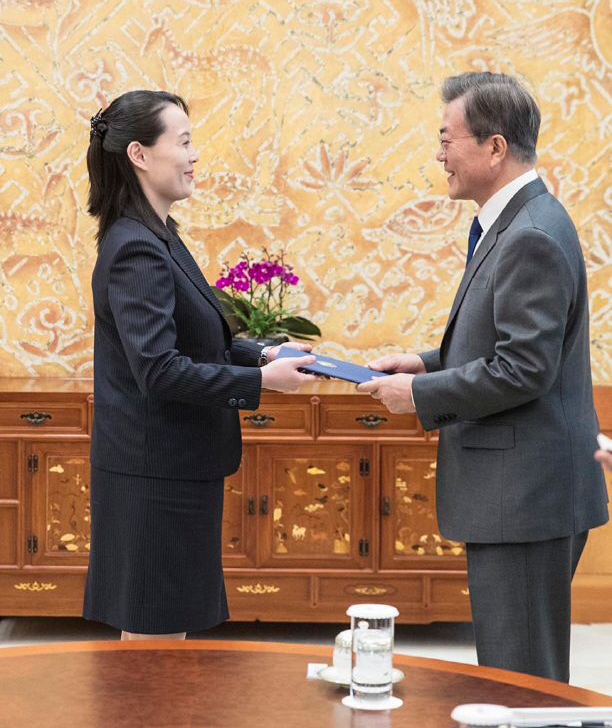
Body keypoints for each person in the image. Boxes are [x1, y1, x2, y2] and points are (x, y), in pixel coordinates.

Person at [358, 72, 609, 682]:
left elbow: (523, 369)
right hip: (519, 492)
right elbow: (504, 345)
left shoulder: (531, 235)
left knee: (521, 681)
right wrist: (425, 362)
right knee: (516, 672)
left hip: (523, 496)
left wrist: (418, 394)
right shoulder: (518, 221)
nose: (438, 154)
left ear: (495, 148)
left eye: (448, 139)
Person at [83, 89, 315, 640]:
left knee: (165, 641)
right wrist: (260, 381)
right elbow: (159, 370)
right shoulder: (136, 247)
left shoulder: (161, 235)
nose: (194, 156)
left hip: (174, 472)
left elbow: (193, 338)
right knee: (155, 647)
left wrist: (263, 352)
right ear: (139, 154)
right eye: (184, 142)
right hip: (154, 478)